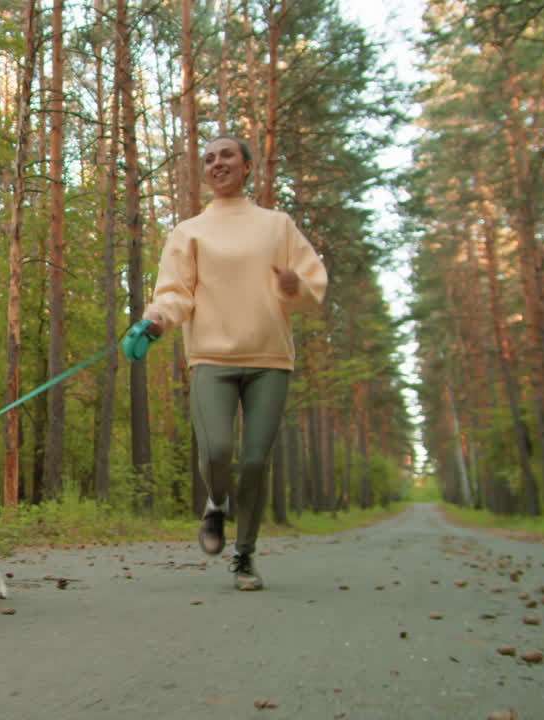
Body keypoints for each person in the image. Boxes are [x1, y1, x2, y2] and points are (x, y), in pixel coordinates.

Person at [142, 135, 328, 591]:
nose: (216, 163)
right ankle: (217, 504)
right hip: (211, 357)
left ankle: (244, 558)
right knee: (219, 451)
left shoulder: (278, 226)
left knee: (256, 462)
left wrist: (292, 286)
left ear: (248, 167)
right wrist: (156, 320)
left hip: (270, 360)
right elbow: (175, 293)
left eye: (227, 155)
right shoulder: (189, 231)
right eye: (208, 159)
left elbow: (313, 287)